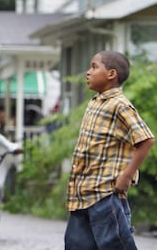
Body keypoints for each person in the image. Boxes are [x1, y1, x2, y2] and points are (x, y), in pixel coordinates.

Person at [64, 51, 154, 250]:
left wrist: (126, 176)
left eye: (94, 67)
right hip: (81, 195)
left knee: (114, 245)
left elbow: (146, 140)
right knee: (75, 245)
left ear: (111, 74)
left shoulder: (120, 105)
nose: (88, 72)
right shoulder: (95, 102)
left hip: (105, 194)